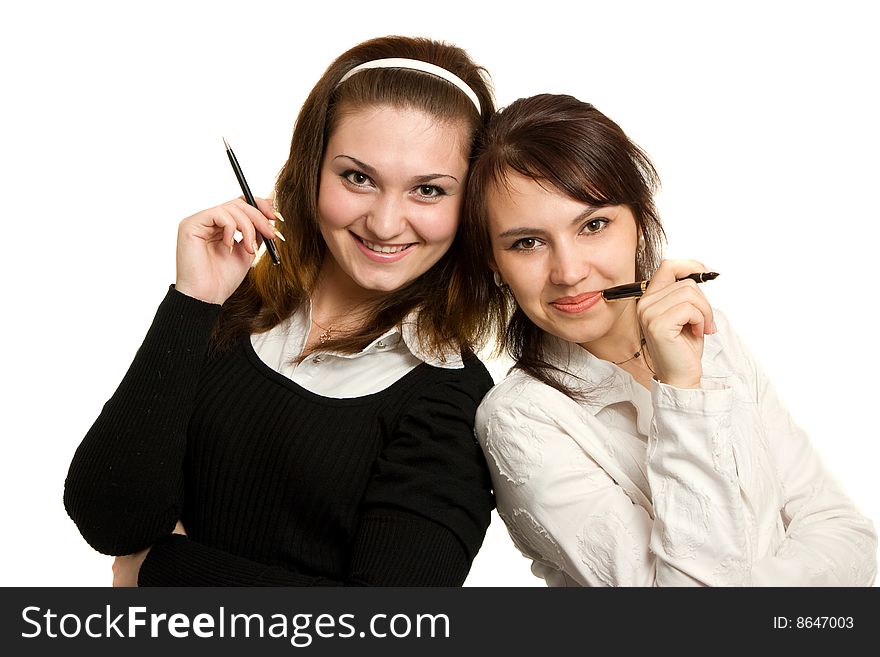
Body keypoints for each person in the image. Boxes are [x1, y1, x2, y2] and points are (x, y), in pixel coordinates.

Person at [64, 35, 497, 586]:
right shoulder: (229, 308)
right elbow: (110, 518)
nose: (386, 223)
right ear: (311, 170)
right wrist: (193, 302)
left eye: (429, 190)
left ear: (471, 205)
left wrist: (160, 570)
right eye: (357, 178)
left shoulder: (452, 400)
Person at [461, 93, 878, 586]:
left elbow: (849, 537)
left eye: (594, 225)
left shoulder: (707, 334)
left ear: (639, 220)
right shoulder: (519, 419)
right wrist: (682, 391)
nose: (569, 272)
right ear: (493, 261)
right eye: (527, 243)